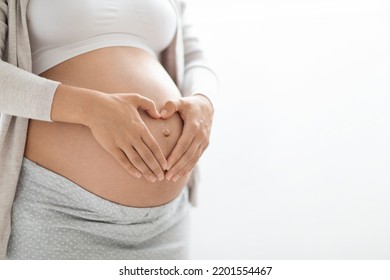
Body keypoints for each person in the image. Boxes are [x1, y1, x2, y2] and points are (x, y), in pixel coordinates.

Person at [0, 0, 218, 259]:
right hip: (60, 209)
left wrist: (205, 100)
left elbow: (193, 55)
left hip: (164, 223)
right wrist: (89, 108)